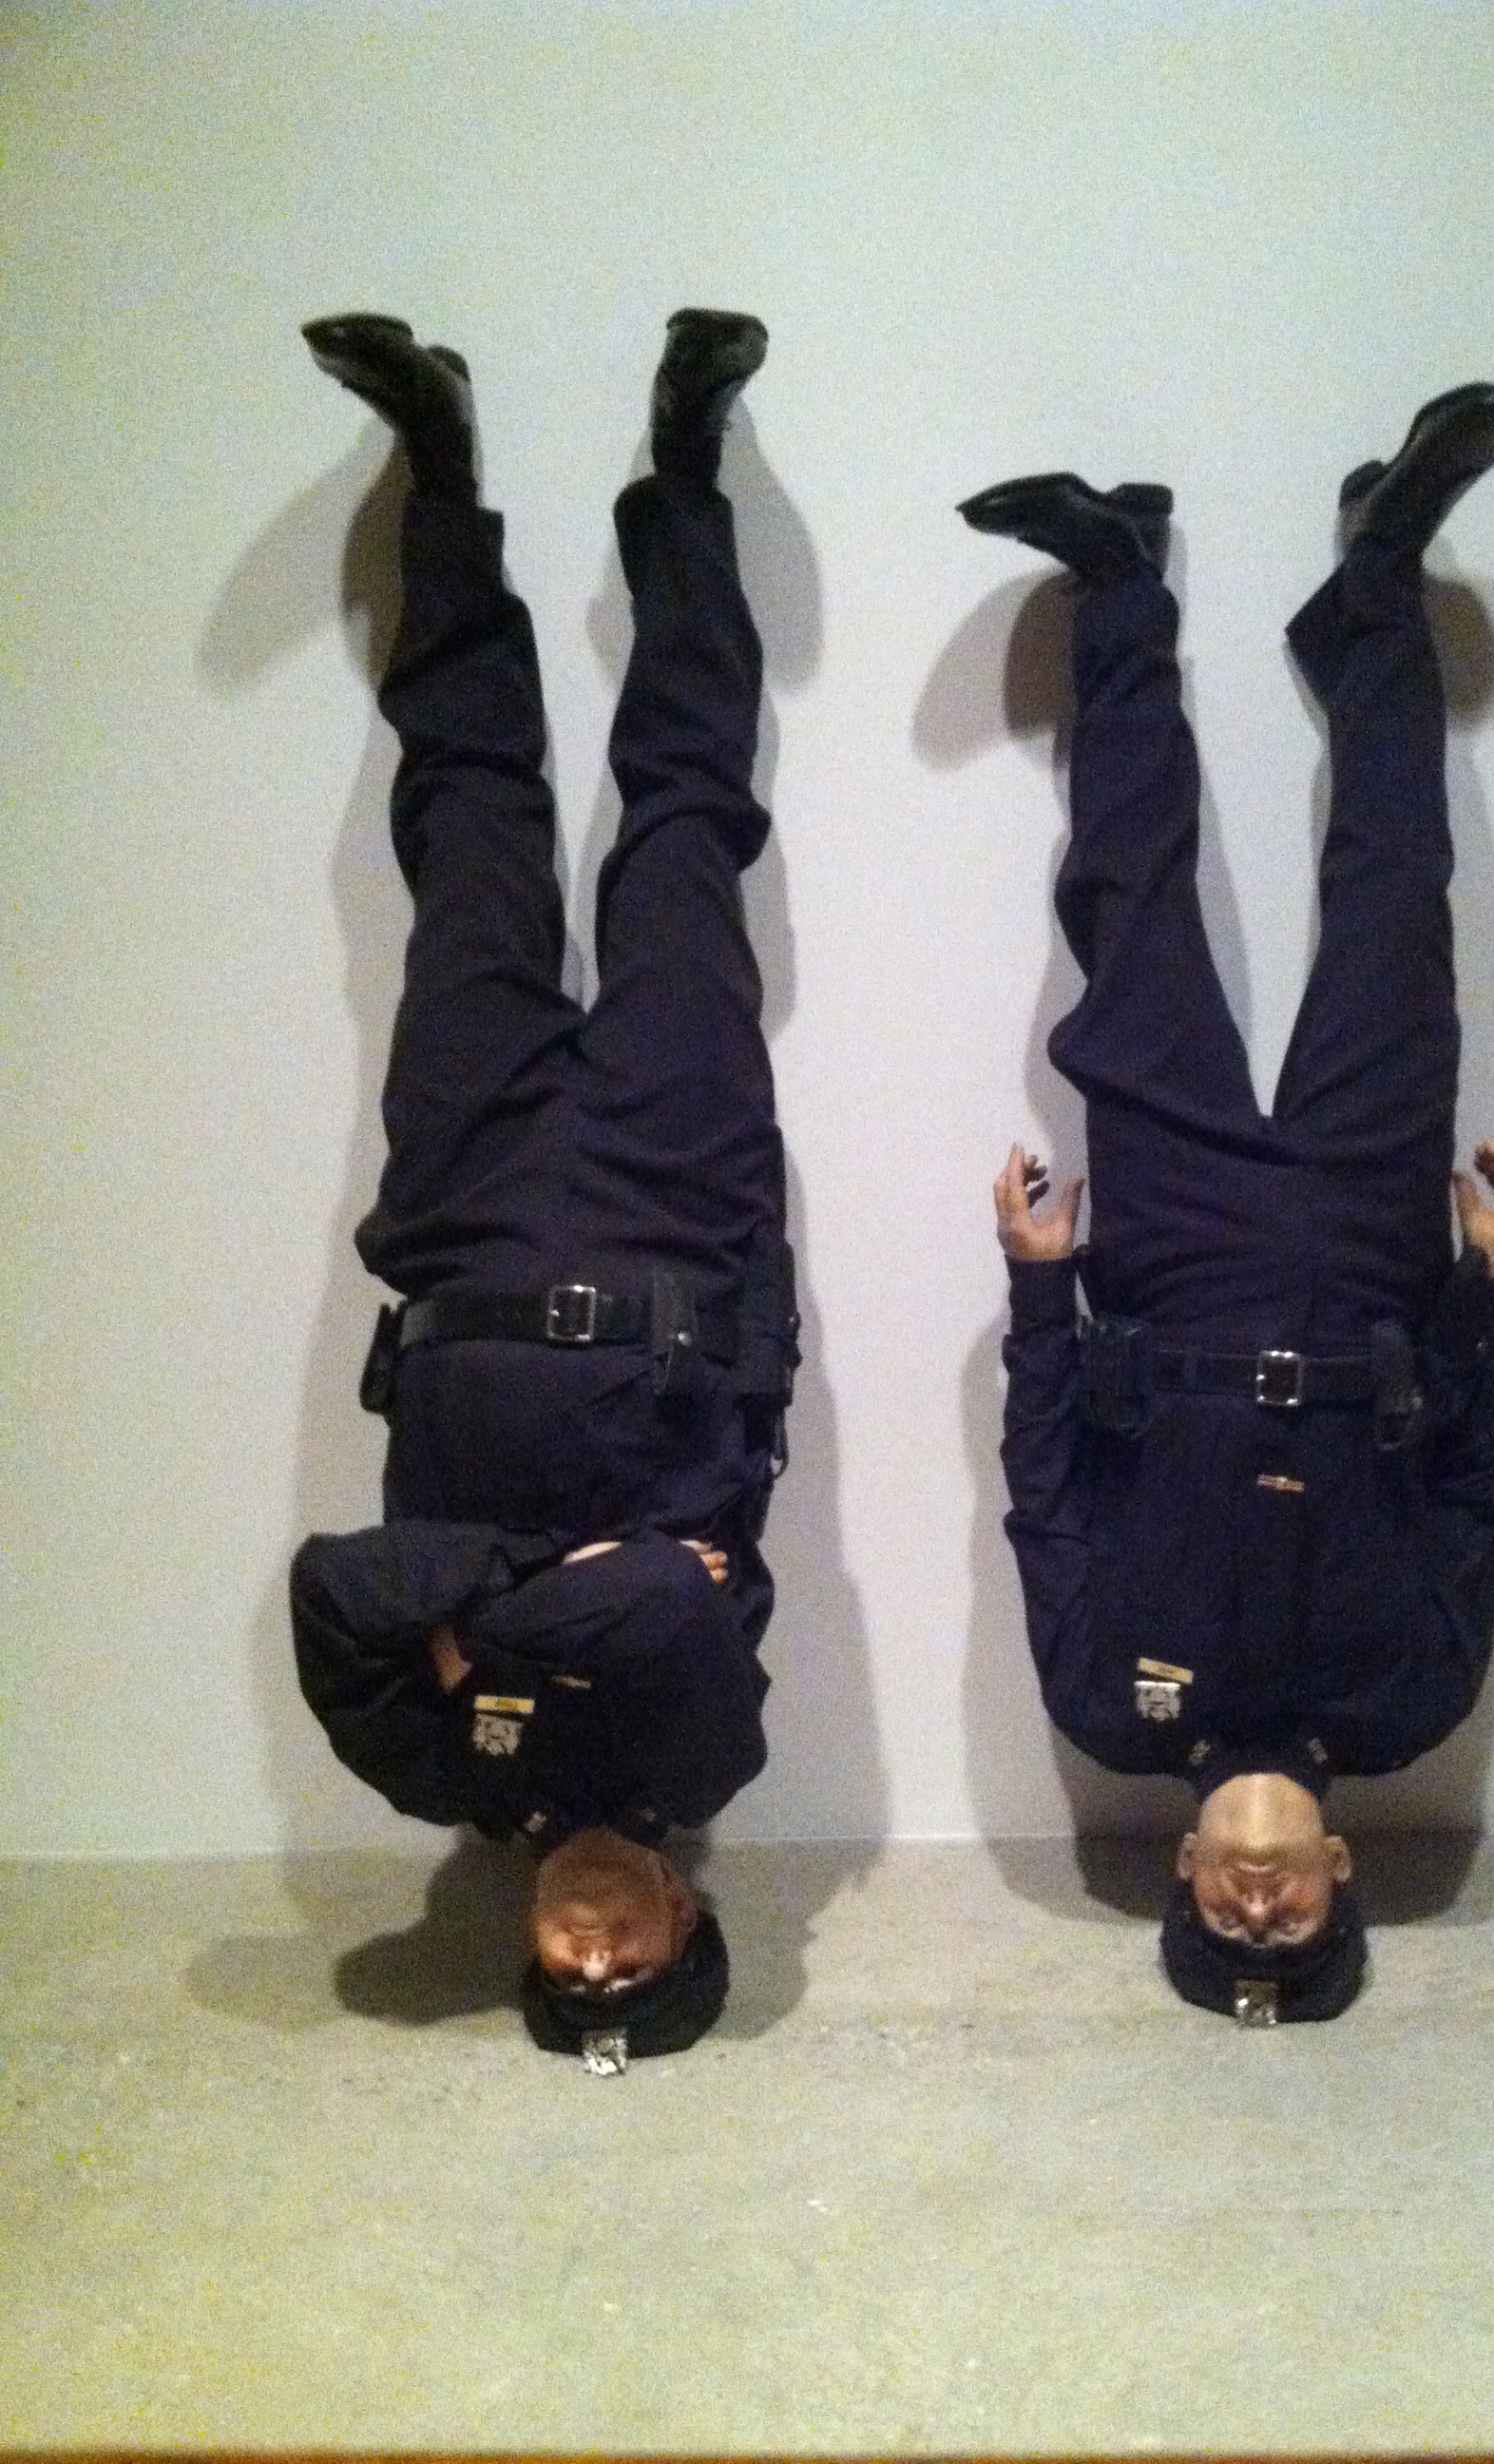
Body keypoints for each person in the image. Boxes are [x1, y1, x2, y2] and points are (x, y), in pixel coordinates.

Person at [961, 387, 1494, 2024]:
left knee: (1130, 912)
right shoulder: (1412, 1702)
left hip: (1169, 1258)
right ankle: (1380, 579)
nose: (1262, 1902)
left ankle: (1117, 584)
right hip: (1375, 1254)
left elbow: (1046, 1485)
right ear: (1343, 1876)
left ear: (1184, 1876)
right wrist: (1488, 1287)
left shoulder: (1106, 1705)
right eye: (1292, 1924)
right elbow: (1473, 1479)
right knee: (1395, 906)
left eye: (1231, 1919)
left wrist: (1040, 1287)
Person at [289, 308, 799, 2066]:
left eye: (567, 1975)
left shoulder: (437, 1777)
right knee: (684, 829)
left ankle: (439, 471)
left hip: (463, 1214)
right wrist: (487, 1616)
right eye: (633, 1963)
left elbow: (335, 1587)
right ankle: (687, 469)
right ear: (687, 1918)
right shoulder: (700, 1759)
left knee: (471, 830)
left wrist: (468, 1610)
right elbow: (657, 1604)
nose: (591, 1946)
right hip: (678, 1216)